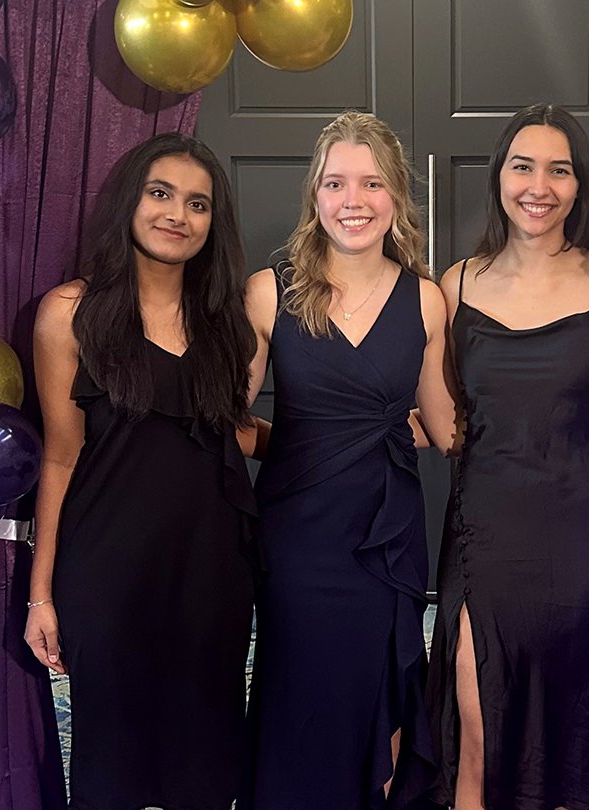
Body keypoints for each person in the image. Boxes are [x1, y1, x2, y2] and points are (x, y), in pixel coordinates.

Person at [23, 133, 259, 810]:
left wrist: (349, 437)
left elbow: (230, 433)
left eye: (197, 204)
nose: (177, 215)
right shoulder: (70, 313)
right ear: (131, 201)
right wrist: (41, 595)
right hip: (108, 569)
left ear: (213, 224)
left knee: (205, 754)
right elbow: (60, 456)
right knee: (110, 757)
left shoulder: (225, 323)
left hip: (211, 571)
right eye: (161, 194)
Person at [426, 103, 589, 810]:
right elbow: (446, 415)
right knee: (478, 724)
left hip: (582, 537)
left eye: (559, 169)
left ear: (580, 186)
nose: (538, 186)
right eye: (523, 166)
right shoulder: (454, 285)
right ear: (499, 177)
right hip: (482, 534)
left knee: (572, 723)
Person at [242, 110, 457, 809]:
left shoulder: (425, 300)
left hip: (385, 537)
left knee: (379, 692)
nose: (353, 200)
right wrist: (304, 444)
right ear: (315, 195)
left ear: (397, 196)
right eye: (336, 183)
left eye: (371, 183)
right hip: (296, 537)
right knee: (301, 691)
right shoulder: (271, 289)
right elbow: (227, 418)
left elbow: (444, 426)